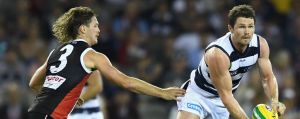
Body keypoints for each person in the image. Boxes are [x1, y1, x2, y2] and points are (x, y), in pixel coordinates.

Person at [27, 6, 185, 119]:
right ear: (83, 29)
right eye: (95, 25)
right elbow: (126, 82)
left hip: (36, 111)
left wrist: (61, 96)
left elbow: (34, 83)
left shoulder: (56, 51)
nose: (99, 30)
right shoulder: (92, 56)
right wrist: (162, 92)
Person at [176, 5, 286, 119]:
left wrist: (274, 101)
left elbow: (267, 78)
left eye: (250, 26)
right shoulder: (218, 54)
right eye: (242, 27)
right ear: (230, 28)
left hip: (221, 101)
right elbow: (226, 97)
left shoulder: (261, 45)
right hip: (198, 95)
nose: (247, 32)